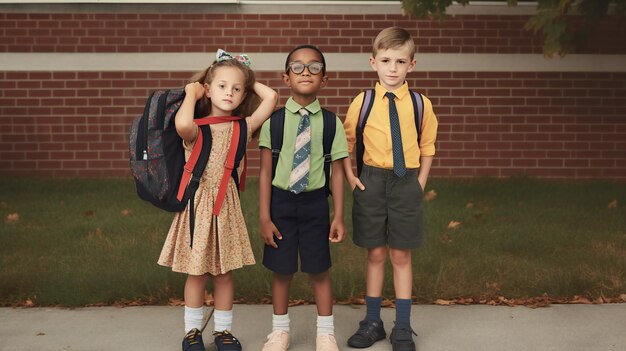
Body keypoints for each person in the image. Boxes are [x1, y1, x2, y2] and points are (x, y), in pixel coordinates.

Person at [158, 49, 278, 351]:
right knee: (196, 272)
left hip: (226, 207)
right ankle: (192, 332)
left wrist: (244, 78)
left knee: (224, 274)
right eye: (222, 86)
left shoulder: (244, 126)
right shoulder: (196, 127)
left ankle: (223, 331)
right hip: (197, 206)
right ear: (208, 90)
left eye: (236, 89)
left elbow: (273, 98)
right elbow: (181, 124)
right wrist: (191, 92)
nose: (230, 93)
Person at [342, 27, 438, 351]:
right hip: (371, 179)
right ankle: (372, 323)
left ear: (412, 64)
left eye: (400, 61)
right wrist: (351, 177)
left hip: (406, 181)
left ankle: (403, 326)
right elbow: (346, 142)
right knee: (376, 253)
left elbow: (428, 146)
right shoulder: (363, 101)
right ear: (373, 62)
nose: (392, 68)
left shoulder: (420, 104)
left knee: (400, 253)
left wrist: (420, 181)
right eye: (386, 60)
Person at [258, 44, 349, 351]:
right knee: (282, 270)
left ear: (325, 78)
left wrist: (337, 214)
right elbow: (265, 173)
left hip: (314, 205)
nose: (305, 72)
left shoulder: (332, 122)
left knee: (319, 269)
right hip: (281, 203)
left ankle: (325, 333)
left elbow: (337, 172)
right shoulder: (275, 121)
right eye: (297, 67)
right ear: (286, 78)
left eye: (314, 67)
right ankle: (280, 332)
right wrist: (264, 216)